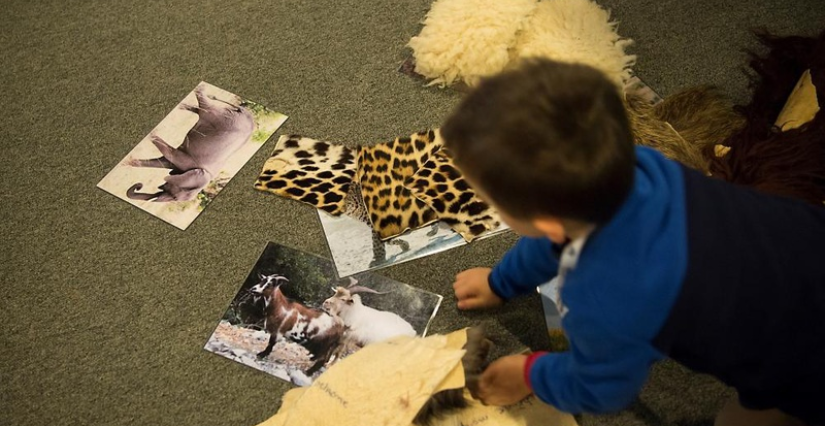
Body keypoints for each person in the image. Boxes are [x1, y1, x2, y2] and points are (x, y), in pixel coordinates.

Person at [440, 58, 825, 426]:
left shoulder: (603, 298)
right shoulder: (641, 164)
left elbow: (600, 388)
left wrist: (530, 371)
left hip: (804, 361)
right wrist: (500, 281)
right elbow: (558, 235)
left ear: (543, 222)